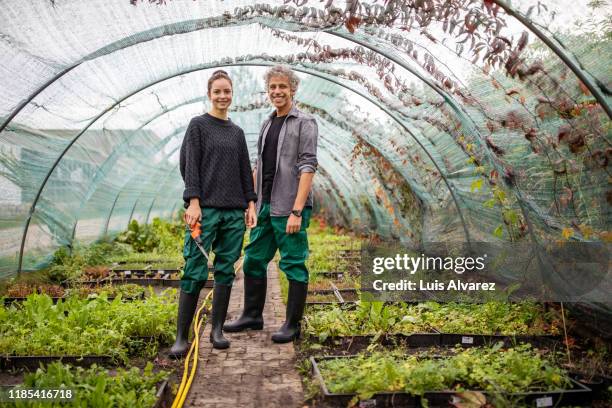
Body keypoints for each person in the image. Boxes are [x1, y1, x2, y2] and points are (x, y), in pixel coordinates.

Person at [224, 65, 318, 343]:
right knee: (253, 260)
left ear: (293, 89)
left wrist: (297, 211)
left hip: (289, 207)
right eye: (272, 87)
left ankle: (292, 325)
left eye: (282, 87)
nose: (277, 92)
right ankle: (252, 315)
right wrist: (250, 201)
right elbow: (260, 165)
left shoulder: (305, 122)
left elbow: (308, 166)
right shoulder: (267, 123)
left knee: (293, 264)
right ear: (268, 91)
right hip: (265, 206)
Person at [170, 69, 257, 356]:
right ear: (209, 94)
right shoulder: (198, 126)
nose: (223, 96)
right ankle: (182, 337)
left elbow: (246, 173)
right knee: (194, 269)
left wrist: (251, 204)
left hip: (233, 213)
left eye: (227, 91)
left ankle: (216, 330)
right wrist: (193, 202)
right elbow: (189, 165)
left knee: (225, 271)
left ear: (232, 95)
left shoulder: (237, 132)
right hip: (204, 211)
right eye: (217, 91)